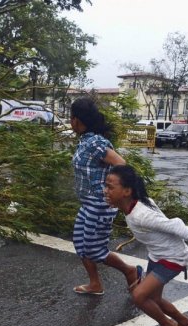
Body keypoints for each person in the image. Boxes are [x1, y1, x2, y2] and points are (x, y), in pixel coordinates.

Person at [104, 165, 188, 326]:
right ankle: (185, 323)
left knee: (139, 296)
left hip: (172, 258)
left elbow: (178, 227)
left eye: (110, 187)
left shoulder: (142, 215)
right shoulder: (133, 204)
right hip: (157, 255)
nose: (106, 190)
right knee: (153, 299)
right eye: (106, 186)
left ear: (126, 191)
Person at [70, 97, 143, 295]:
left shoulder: (96, 143)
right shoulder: (86, 140)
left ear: (77, 119)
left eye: (71, 117)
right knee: (80, 243)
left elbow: (122, 163)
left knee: (94, 249)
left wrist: (113, 190)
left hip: (100, 204)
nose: (70, 122)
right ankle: (95, 284)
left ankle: (130, 272)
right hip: (87, 203)